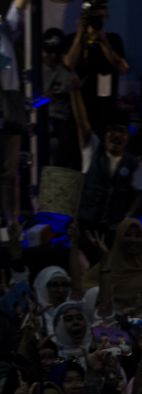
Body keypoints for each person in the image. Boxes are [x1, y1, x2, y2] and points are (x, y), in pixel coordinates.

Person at [62, 0, 128, 137]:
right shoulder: (71, 40)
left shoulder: (113, 40)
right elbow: (68, 65)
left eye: (101, 16)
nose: (98, 20)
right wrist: (80, 35)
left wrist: (103, 41)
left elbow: (123, 68)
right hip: (78, 112)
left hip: (106, 113)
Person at [76, 117, 142, 237]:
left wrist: (128, 217)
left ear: (128, 137)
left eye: (122, 131)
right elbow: (82, 122)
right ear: (105, 136)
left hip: (114, 226)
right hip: (87, 223)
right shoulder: (93, 154)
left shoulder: (134, 164)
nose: (117, 135)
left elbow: (139, 193)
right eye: (113, 130)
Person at [0, 0, 28, 229]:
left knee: (11, 171)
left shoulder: (5, 30)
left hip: (11, 103)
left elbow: (19, 5)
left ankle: (13, 221)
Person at [41, 26, 82, 169]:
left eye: (57, 52)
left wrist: (75, 90)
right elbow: (28, 105)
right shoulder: (34, 72)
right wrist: (45, 99)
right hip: (40, 121)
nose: (53, 56)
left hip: (62, 124)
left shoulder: (67, 72)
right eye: (49, 52)